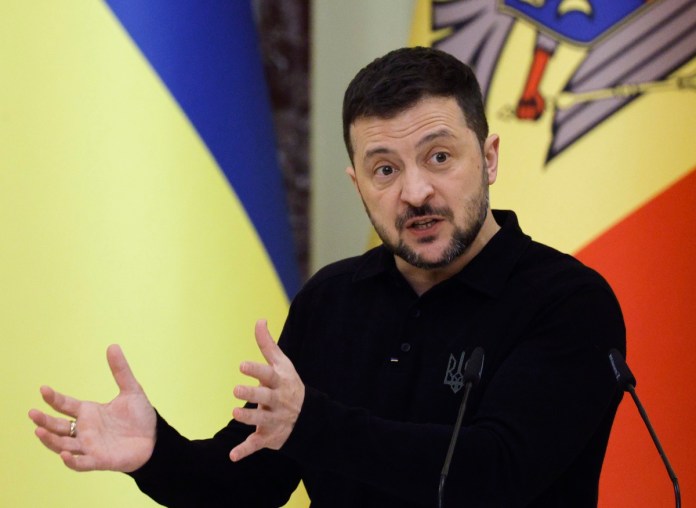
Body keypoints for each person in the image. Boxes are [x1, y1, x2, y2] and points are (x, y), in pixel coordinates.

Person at [29, 47, 626, 507]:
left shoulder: (568, 301)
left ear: (489, 157)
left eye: (439, 157)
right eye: (384, 169)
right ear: (357, 184)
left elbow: (493, 475)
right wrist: (155, 453)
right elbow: (249, 484)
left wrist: (310, 423)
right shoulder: (333, 300)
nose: (415, 192)